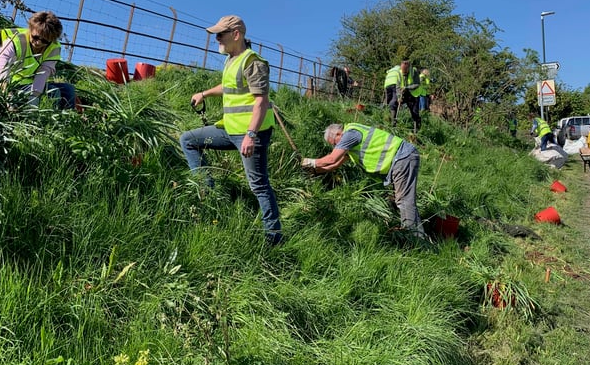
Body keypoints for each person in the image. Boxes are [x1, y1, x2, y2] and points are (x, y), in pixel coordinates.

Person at [179, 15, 283, 245]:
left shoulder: (253, 62)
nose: (216, 39)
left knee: (259, 185)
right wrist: (204, 94)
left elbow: (261, 102)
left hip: (251, 134)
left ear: (236, 35)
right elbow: (228, 87)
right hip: (229, 130)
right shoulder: (231, 60)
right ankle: (209, 192)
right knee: (188, 140)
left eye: (220, 35)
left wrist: (251, 136)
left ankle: (274, 237)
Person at [300, 123, 427, 241]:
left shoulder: (350, 134)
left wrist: (310, 162)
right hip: (401, 159)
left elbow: (332, 158)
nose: (335, 147)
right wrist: (313, 171)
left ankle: (414, 239)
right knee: (404, 200)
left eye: (334, 143)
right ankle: (416, 235)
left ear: (338, 134)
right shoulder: (350, 141)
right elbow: (333, 165)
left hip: (401, 158)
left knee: (404, 201)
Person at [0, 11, 75, 109]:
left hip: (29, 81)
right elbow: (2, 68)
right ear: (30, 29)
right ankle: (42, 120)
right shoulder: (16, 41)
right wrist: (8, 95)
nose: (38, 43)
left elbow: (43, 73)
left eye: (45, 41)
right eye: (35, 37)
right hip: (8, 81)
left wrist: (34, 96)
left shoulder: (53, 48)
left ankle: (66, 119)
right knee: (53, 92)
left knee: (68, 90)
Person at [390, 60, 422, 131]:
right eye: (403, 71)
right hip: (403, 92)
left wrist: (407, 88)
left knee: (414, 113)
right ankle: (393, 124)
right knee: (393, 103)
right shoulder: (399, 73)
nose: (404, 73)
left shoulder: (414, 71)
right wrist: (398, 97)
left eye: (405, 72)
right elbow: (397, 86)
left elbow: (417, 84)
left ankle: (417, 130)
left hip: (414, 94)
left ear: (409, 68)